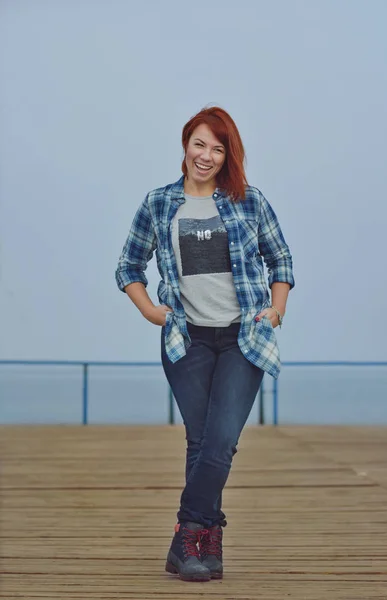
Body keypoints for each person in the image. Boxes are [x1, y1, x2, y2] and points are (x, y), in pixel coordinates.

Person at [115, 106, 295, 582]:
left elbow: (280, 259)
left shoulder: (248, 201)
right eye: (200, 144)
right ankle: (207, 545)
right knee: (200, 443)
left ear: (227, 154)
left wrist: (277, 309)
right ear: (185, 144)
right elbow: (128, 266)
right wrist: (150, 310)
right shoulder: (158, 203)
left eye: (218, 148)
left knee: (220, 443)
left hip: (243, 337)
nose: (207, 156)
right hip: (187, 337)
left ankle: (186, 535)